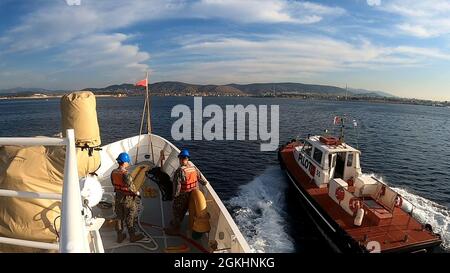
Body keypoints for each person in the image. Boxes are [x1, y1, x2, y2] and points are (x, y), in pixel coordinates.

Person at [164, 149, 207, 235]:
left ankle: (175, 229)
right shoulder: (194, 168)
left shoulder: (180, 171)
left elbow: (177, 186)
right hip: (193, 196)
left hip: (183, 196)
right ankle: (178, 223)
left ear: (180, 159)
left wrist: (174, 197)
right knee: (184, 211)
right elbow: (203, 181)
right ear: (188, 159)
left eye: (181, 158)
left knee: (177, 211)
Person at [110, 152, 145, 243]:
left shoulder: (113, 172)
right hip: (127, 200)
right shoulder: (126, 174)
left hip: (118, 198)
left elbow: (114, 183)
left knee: (119, 217)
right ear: (124, 162)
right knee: (130, 217)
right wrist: (137, 193)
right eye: (128, 162)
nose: (128, 164)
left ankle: (120, 236)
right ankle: (132, 236)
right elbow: (131, 187)